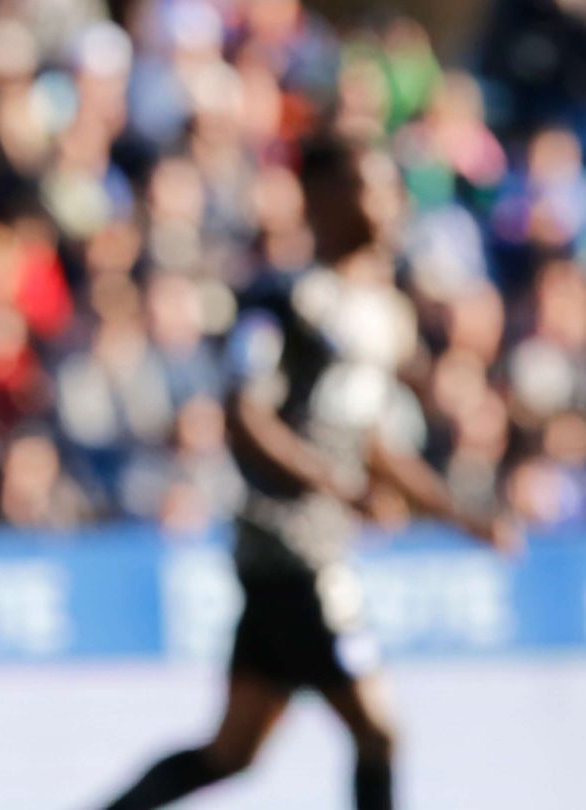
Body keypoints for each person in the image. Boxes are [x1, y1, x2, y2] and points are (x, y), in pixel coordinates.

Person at [98, 137, 515, 810]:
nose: (387, 205)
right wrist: (339, 487)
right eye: (368, 189)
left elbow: (372, 443)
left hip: (316, 545)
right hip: (290, 545)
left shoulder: (382, 310)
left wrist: (458, 515)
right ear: (321, 198)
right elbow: (245, 415)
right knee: (377, 732)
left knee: (232, 751)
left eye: (390, 190)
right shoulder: (288, 300)